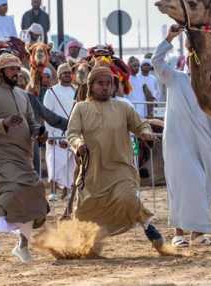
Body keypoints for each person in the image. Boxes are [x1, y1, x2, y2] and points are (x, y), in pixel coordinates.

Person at [67, 66, 165, 250]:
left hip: (121, 168)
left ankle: (148, 226)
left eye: (108, 84)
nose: (105, 87)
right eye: (100, 83)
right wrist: (78, 144)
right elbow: (72, 133)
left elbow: (140, 124)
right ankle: (84, 245)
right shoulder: (81, 108)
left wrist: (145, 133)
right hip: (93, 171)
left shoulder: (122, 107)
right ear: (91, 85)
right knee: (85, 211)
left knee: (128, 198)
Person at [0, 53, 49, 263]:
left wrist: (38, 131)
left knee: (34, 193)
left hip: (22, 155)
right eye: (11, 69)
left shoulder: (22, 95)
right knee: (11, 190)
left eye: (18, 69)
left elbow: (31, 121)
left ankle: (22, 246)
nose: (16, 73)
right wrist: (4, 123)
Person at [151, 25, 211, 248]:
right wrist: (170, 36)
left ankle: (198, 234)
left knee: (204, 185)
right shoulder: (175, 78)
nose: (195, 63)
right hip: (178, 142)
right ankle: (178, 232)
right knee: (183, 183)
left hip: (205, 141)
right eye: (192, 59)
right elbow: (157, 61)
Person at [43, 64, 76, 201]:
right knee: (54, 163)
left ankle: (67, 192)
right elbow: (46, 113)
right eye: (64, 73)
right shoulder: (52, 91)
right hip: (55, 132)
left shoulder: (77, 90)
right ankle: (53, 192)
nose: (68, 75)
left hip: (72, 132)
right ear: (59, 75)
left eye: (69, 73)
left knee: (71, 164)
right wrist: (50, 133)